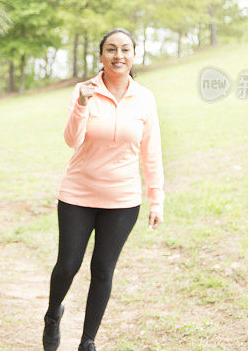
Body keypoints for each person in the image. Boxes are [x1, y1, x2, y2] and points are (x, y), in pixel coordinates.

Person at [43, 28, 164, 351]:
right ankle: (53, 314)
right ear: (100, 56)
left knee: (103, 270)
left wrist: (157, 199)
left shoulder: (145, 98)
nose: (118, 56)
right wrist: (82, 105)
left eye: (125, 49)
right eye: (111, 49)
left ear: (134, 56)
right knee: (68, 264)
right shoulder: (84, 91)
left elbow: (151, 151)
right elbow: (71, 140)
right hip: (78, 194)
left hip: (123, 199)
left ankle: (88, 342)